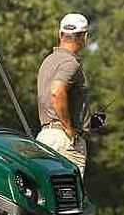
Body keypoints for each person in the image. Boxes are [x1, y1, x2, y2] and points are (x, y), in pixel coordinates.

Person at [36, 13, 92, 176]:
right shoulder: (70, 63)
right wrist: (69, 129)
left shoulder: (48, 61)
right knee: (70, 197)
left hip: (45, 137)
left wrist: (88, 121)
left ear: (60, 34)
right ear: (84, 37)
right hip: (64, 140)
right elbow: (56, 92)